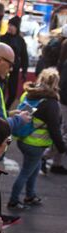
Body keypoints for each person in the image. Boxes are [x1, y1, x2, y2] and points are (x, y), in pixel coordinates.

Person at [8, 69, 66, 209]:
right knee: (26, 171)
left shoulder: (29, 94)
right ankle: (14, 200)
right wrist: (62, 147)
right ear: (55, 84)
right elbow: (54, 129)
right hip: (35, 143)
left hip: (23, 139)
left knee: (35, 167)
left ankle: (30, 195)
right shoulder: (50, 103)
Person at [46, 39, 67, 174]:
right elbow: (64, 86)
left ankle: (57, 163)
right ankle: (46, 156)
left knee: (63, 132)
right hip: (65, 102)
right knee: (63, 134)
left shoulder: (63, 62)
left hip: (63, 101)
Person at [2, 16, 28, 109]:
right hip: (2, 69)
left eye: (12, 25)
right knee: (1, 92)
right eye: (9, 24)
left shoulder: (20, 40)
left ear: (17, 27)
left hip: (14, 71)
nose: (10, 27)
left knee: (12, 94)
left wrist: (24, 71)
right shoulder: (2, 38)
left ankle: (5, 109)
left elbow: (24, 56)